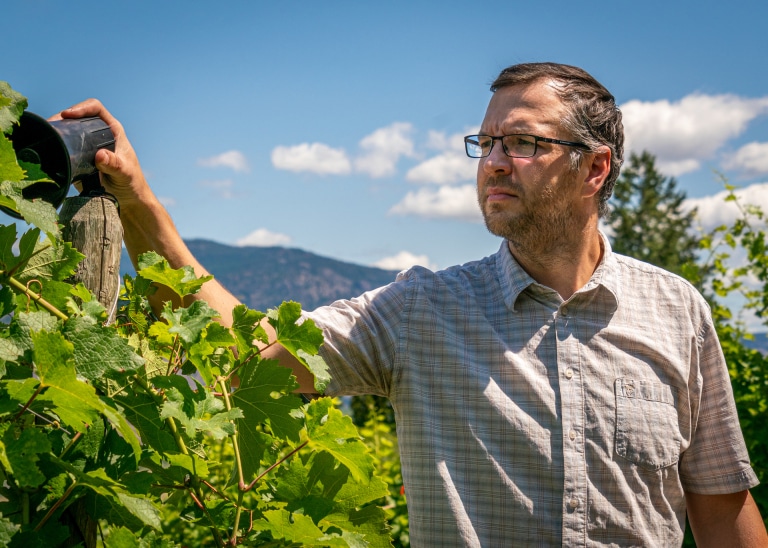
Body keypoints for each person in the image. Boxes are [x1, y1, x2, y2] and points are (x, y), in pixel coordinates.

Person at [58, 62, 767, 547]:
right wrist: (140, 202)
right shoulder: (422, 311)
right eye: (486, 142)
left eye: (522, 142)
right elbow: (250, 356)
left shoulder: (677, 311)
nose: (493, 161)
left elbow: (721, 508)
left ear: (595, 167)